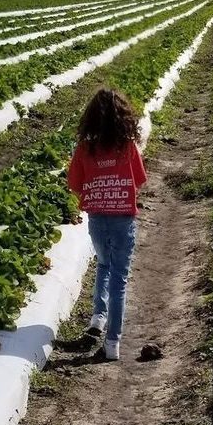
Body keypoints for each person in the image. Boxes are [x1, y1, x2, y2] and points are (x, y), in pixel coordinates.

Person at [67, 88, 147, 361]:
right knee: (119, 281)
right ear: (122, 117)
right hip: (123, 219)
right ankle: (112, 343)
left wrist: (98, 190)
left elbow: (75, 185)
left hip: (97, 219)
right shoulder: (127, 146)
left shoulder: (85, 147)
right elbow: (139, 179)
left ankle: (98, 318)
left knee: (103, 264)